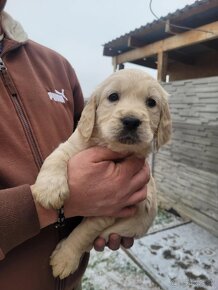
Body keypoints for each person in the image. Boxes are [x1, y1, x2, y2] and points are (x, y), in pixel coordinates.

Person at [0, 1, 151, 290]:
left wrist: (123, 190)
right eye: (115, 97)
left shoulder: (57, 67)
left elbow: (88, 138)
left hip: (69, 281)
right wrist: (41, 207)